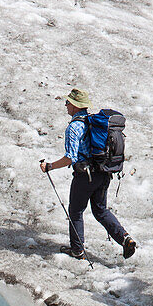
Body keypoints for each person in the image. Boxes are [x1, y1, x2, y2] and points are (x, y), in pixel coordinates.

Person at [40, 88, 136, 260]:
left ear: (76, 106)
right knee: (100, 211)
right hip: (103, 173)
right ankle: (125, 238)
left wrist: (50, 166)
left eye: (68, 102)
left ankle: (77, 250)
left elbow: (70, 158)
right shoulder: (93, 122)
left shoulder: (74, 127)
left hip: (85, 176)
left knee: (76, 211)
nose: (66, 105)